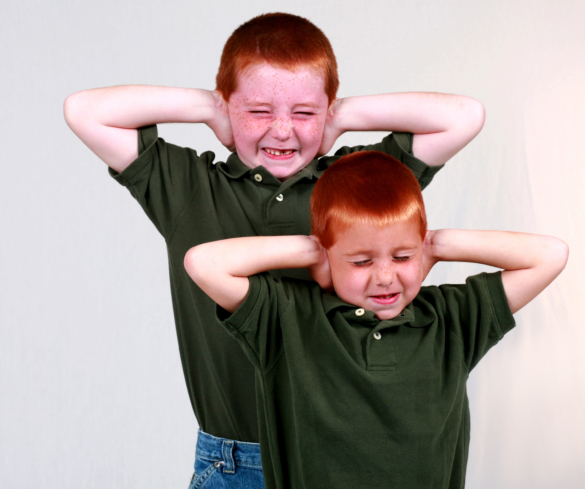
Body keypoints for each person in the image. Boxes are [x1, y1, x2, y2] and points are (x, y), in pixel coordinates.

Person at [64, 12, 485, 488]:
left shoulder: (356, 185)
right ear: (229, 109)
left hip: (338, 454)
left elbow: (464, 116)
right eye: (259, 111)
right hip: (237, 460)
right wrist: (211, 108)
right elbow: (84, 110)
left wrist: (340, 116)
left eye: (304, 113)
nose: (283, 131)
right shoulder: (188, 187)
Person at [184, 151, 569, 488]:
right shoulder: (288, 318)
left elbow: (550, 255)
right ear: (328, 256)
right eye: (362, 261)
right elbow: (202, 263)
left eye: (402, 257)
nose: (385, 276)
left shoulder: (452, 319)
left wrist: (438, 243)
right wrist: (312, 250)